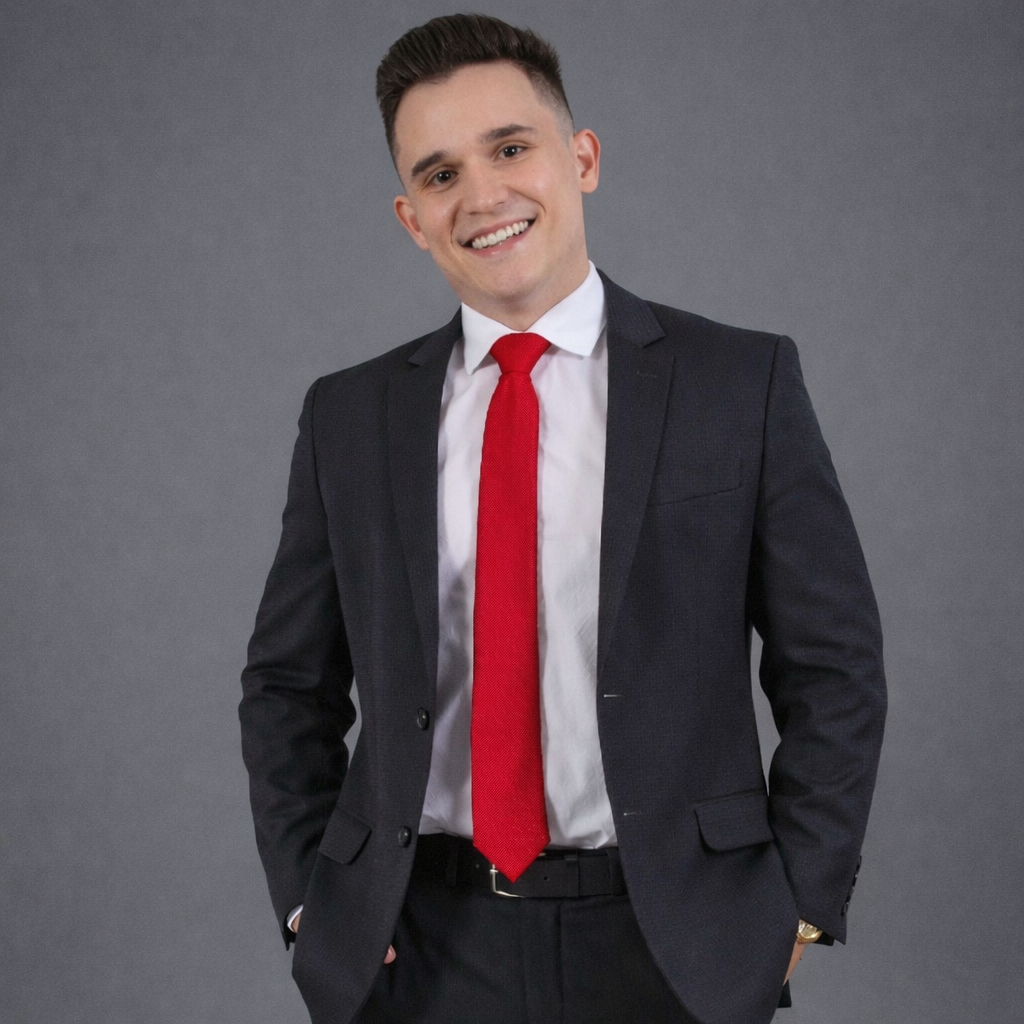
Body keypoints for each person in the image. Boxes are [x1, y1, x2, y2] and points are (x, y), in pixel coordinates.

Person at [239, 14, 886, 1024]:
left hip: (678, 940)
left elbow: (833, 663)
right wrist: (306, 902)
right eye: (440, 173)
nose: (482, 195)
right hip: (421, 948)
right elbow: (287, 685)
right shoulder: (349, 416)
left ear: (580, 159)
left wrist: (796, 906)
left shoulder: (737, 384)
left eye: (510, 148)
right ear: (411, 217)